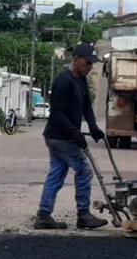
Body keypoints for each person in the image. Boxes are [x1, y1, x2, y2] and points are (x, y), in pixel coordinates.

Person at [34, 42, 108, 231]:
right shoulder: (63, 81)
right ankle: (83, 214)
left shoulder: (81, 80)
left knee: (57, 174)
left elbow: (86, 106)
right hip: (59, 137)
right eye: (87, 62)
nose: (90, 66)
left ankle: (43, 215)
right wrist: (76, 134)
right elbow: (57, 113)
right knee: (84, 170)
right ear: (76, 60)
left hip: (63, 137)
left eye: (92, 63)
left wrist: (93, 127)